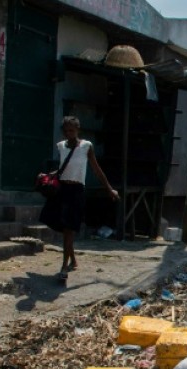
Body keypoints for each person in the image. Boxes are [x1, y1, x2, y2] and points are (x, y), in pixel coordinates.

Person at [40, 116, 119, 280]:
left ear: (78, 130)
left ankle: (64, 267)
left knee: (69, 228)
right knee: (63, 227)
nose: (69, 133)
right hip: (62, 189)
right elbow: (63, 169)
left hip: (77, 191)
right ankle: (73, 260)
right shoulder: (61, 146)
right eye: (66, 131)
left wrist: (109, 189)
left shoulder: (86, 146)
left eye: (72, 130)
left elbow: (96, 169)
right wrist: (47, 176)